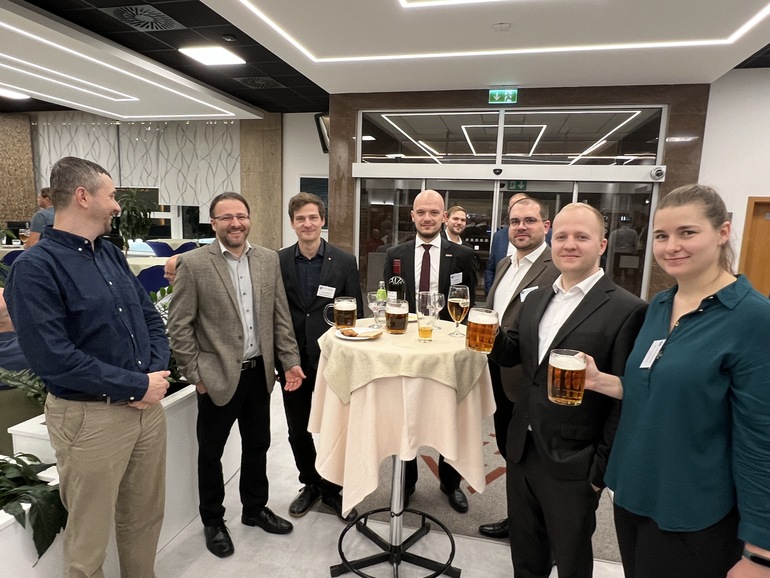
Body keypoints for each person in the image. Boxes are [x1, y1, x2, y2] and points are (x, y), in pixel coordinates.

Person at [584, 184, 770, 578]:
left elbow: (761, 439)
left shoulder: (754, 319)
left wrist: (760, 552)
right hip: (633, 494)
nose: (671, 246)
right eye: (661, 235)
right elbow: (659, 389)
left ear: (723, 232)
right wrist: (603, 382)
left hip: (694, 511)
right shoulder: (660, 305)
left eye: (687, 232)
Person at [4, 156, 171, 577]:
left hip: (146, 410)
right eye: (111, 196)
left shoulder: (110, 255)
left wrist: (151, 377)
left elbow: (150, 319)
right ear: (83, 196)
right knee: (88, 537)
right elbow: (53, 358)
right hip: (89, 418)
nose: (117, 206)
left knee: (144, 517)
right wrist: (137, 385)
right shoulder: (35, 268)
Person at [489, 202, 647, 578]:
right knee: (526, 553)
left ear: (602, 245)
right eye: (561, 236)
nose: (569, 244)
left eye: (581, 237)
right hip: (522, 447)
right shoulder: (536, 297)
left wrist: (599, 470)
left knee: (571, 559)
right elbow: (516, 354)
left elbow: (624, 397)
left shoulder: (628, 309)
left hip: (575, 461)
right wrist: (487, 334)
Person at [167, 192, 304, 559]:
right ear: (213, 223)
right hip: (216, 377)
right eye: (226, 217)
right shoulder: (194, 264)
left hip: (259, 374)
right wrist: (195, 374)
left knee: (258, 445)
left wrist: (289, 360)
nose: (235, 223)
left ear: (249, 219)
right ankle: (213, 520)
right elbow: (179, 325)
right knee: (211, 454)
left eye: (241, 216)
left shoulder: (268, 260)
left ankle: (255, 509)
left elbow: (279, 317)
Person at [383, 189, 477, 513]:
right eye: (421, 212)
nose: (427, 218)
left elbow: (468, 303)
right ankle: (406, 482)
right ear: (412, 216)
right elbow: (391, 303)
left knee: (449, 416)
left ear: (444, 217)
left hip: (446, 352)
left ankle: (450, 482)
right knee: (405, 416)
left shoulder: (462, 255)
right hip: (407, 350)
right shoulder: (395, 254)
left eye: (434, 212)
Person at [277, 192, 363, 522]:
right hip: (293, 362)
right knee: (298, 429)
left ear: (322, 220)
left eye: (313, 217)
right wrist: (283, 360)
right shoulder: (279, 261)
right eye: (301, 219)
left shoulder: (344, 261)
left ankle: (332, 490)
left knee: (334, 428)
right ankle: (310, 483)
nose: (308, 223)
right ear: (292, 223)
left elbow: (356, 315)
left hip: (333, 360)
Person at [478, 197, 560, 540]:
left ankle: (541, 534)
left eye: (529, 220)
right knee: (510, 450)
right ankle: (519, 520)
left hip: (530, 378)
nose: (521, 227)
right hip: (498, 370)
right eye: (514, 221)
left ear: (546, 226)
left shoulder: (555, 266)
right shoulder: (505, 263)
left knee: (535, 459)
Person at [485, 193, 529, 294]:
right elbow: (491, 268)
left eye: (522, 204)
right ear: (509, 210)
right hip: (502, 294)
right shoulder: (499, 236)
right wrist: (491, 293)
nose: (518, 209)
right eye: (514, 206)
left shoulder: (545, 235)